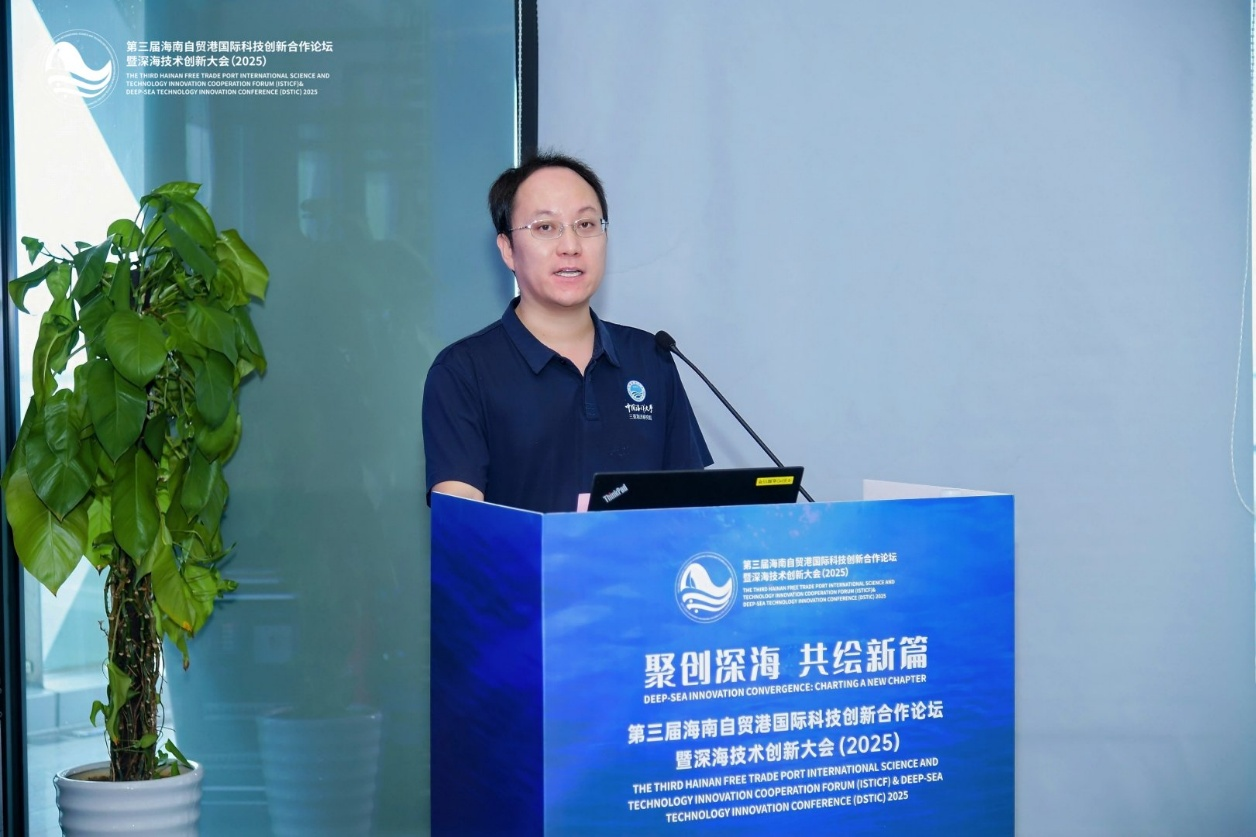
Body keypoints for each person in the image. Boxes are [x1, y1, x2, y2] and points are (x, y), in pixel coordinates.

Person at [422, 152, 713, 513]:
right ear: (508, 250)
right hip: (523, 555)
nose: (571, 246)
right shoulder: (463, 371)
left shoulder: (649, 357)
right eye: (545, 228)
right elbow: (462, 520)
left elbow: (691, 505)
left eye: (586, 225)